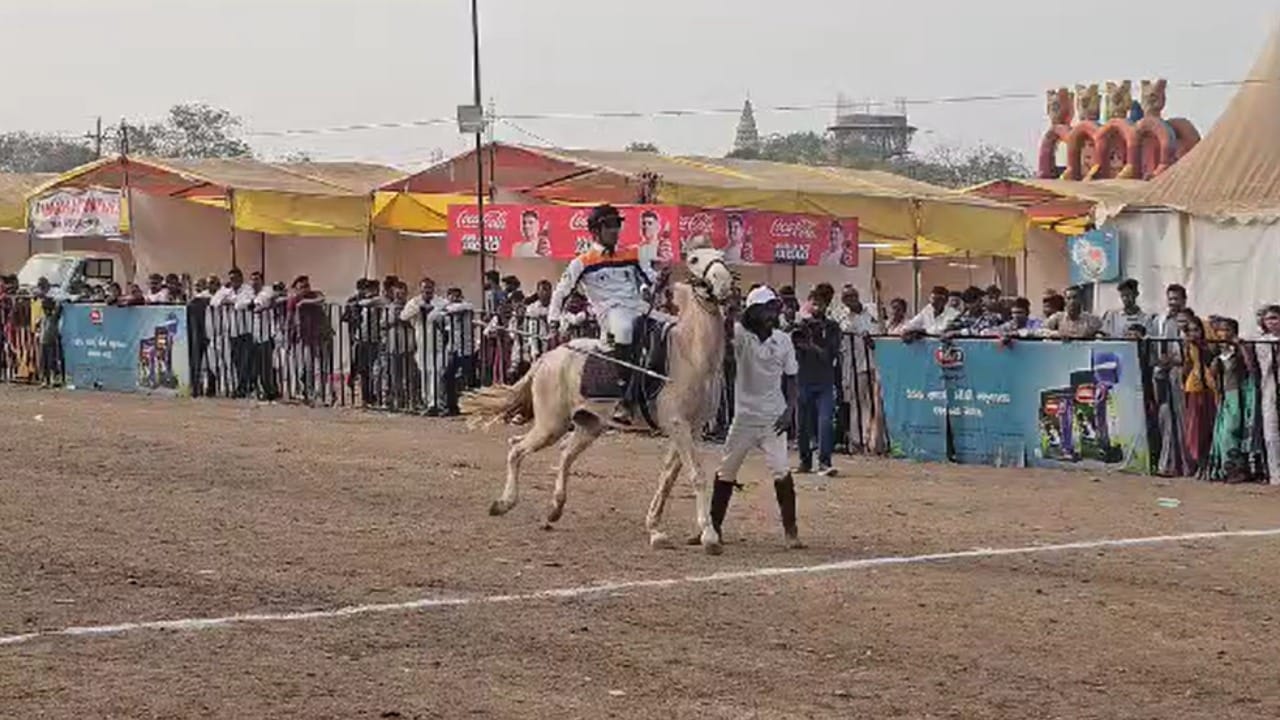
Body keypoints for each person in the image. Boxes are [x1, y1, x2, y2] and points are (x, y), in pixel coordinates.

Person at [706, 285, 802, 549]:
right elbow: (725, 345)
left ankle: (791, 532)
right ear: (754, 312)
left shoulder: (783, 340)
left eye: (774, 308)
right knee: (727, 469)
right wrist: (728, 314)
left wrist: (789, 411)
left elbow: (792, 378)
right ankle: (713, 528)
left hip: (773, 417)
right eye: (766, 309)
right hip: (745, 417)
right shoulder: (740, 335)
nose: (772, 314)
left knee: (781, 470)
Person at [547, 204, 660, 424]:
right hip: (611, 313)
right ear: (595, 231)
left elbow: (650, 279)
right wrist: (553, 322)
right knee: (626, 328)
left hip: (639, 308)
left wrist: (659, 281)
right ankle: (623, 400)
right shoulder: (582, 262)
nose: (615, 230)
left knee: (671, 328)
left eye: (617, 224)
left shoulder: (634, 254)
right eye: (610, 225)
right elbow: (560, 292)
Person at [1206, 317, 1262, 482]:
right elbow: (1212, 375)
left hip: (1240, 396)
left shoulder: (1240, 349)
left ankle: (1240, 469)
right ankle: (1226, 469)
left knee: (1233, 431)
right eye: (1220, 330)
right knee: (1223, 435)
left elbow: (1251, 367)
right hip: (1226, 397)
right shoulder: (1219, 354)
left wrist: (1241, 347)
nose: (1223, 333)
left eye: (1227, 330)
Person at [793, 287, 841, 476]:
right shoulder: (801, 324)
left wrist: (813, 342)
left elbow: (829, 355)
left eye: (820, 303)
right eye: (813, 303)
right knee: (802, 424)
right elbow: (792, 344)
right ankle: (805, 462)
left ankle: (824, 462)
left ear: (826, 305)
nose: (816, 307)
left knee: (825, 422)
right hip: (802, 379)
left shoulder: (832, 327)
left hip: (824, 381)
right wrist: (801, 330)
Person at [837, 285, 882, 453]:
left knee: (874, 402)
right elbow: (845, 333)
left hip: (874, 362)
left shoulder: (872, 311)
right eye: (847, 297)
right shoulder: (842, 317)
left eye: (853, 295)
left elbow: (879, 330)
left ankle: (873, 439)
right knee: (857, 402)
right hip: (855, 364)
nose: (851, 299)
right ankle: (857, 440)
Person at [401, 277, 449, 414]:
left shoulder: (440, 302)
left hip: (438, 343)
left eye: (429, 288)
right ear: (420, 289)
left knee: (437, 372)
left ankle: (436, 403)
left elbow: (446, 315)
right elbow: (404, 316)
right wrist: (419, 308)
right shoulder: (414, 302)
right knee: (425, 373)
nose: (427, 291)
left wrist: (435, 312)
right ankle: (427, 401)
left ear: (433, 289)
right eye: (424, 288)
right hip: (421, 342)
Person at [1179, 310, 1216, 475]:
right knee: (1196, 428)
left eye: (1196, 330)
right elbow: (1186, 367)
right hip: (1194, 388)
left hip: (1210, 389)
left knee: (1209, 426)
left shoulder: (1210, 348)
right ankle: (1200, 464)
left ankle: (1209, 464)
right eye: (1190, 331)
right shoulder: (1189, 348)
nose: (1194, 334)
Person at [211, 268, 255, 396]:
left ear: (241, 278)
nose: (233, 281)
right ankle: (240, 386)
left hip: (245, 330)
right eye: (231, 279)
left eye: (236, 278)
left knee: (245, 361)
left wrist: (231, 302)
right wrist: (225, 298)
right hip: (232, 331)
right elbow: (214, 302)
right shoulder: (226, 291)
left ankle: (244, 387)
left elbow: (246, 302)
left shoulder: (247, 289)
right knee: (235, 360)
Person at [287, 275, 330, 405]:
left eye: (307, 285)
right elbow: (289, 319)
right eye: (302, 287)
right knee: (307, 367)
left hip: (320, 336)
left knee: (321, 367)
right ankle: (308, 392)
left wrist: (305, 302)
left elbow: (322, 299)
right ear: (296, 289)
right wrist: (288, 338)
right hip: (304, 338)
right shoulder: (293, 300)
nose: (305, 289)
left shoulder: (315, 294)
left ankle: (321, 394)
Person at [1254, 305, 1280, 485]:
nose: (1272, 322)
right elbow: (1266, 366)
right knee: (1271, 433)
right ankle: (1275, 473)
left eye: (1275, 318)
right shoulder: (1262, 341)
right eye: (1269, 319)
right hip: (1270, 387)